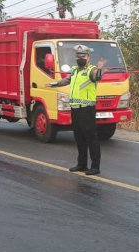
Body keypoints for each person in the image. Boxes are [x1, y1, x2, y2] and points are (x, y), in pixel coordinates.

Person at [46, 44, 107, 175]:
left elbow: (97, 77)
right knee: (79, 137)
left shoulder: (92, 70)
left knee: (91, 138)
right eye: (78, 56)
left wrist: (101, 68)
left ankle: (95, 166)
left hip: (87, 109)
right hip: (75, 109)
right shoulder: (74, 70)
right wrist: (54, 83)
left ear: (88, 57)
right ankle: (82, 164)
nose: (80, 58)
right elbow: (66, 80)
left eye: (83, 56)